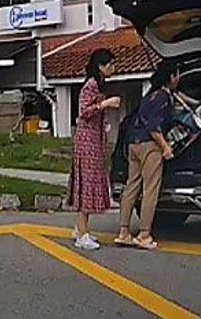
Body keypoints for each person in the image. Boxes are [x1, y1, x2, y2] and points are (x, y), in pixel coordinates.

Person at [114, 61, 180, 251]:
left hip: (133, 144)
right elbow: (154, 127)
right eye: (177, 74)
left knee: (131, 186)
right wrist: (166, 148)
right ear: (171, 77)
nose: (179, 78)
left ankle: (124, 232)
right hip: (150, 146)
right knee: (150, 189)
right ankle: (144, 234)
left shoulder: (149, 96)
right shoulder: (163, 98)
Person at [67, 48, 121, 250]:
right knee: (86, 186)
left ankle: (79, 228)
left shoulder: (97, 84)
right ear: (101, 66)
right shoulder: (90, 85)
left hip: (94, 140)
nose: (113, 68)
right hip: (87, 141)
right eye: (110, 65)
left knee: (88, 185)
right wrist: (105, 104)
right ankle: (82, 234)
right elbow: (84, 112)